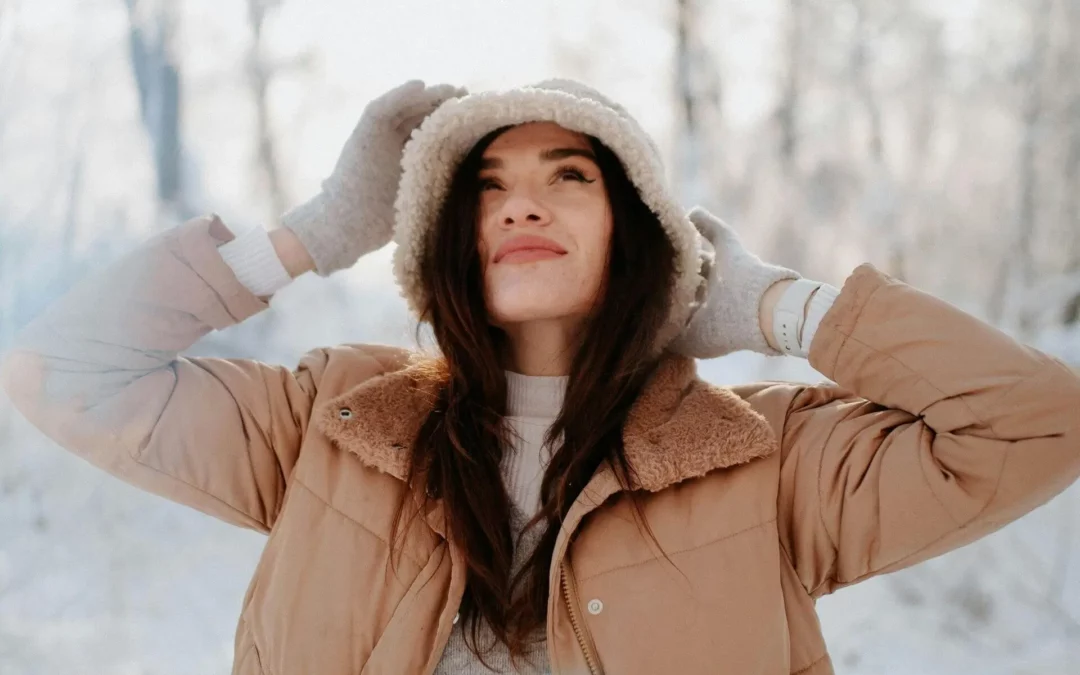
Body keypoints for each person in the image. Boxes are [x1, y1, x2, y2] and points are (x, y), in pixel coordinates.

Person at [2, 78, 1079, 675]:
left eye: (569, 176)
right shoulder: (329, 423)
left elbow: (1038, 423)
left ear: (635, 232)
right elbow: (61, 368)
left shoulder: (766, 460)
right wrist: (311, 235)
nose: (523, 203)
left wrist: (776, 306)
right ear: (451, 240)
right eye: (486, 185)